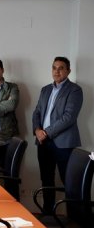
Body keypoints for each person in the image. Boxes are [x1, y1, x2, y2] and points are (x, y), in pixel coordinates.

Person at [32, 56, 83, 214]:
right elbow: (37, 112)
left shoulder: (75, 90)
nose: (57, 71)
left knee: (69, 182)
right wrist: (37, 130)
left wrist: (46, 132)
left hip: (64, 144)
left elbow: (69, 117)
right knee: (46, 180)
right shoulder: (45, 89)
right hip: (43, 142)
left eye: (61, 68)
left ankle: (75, 221)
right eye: (54, 67)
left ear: (68, 70)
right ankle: (48, 216)